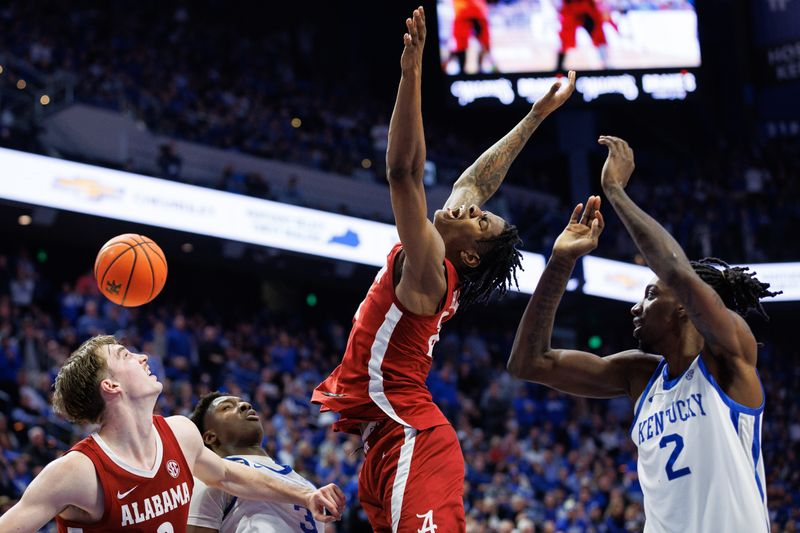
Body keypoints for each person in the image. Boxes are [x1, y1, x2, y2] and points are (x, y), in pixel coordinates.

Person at [312, 6, 576, 532]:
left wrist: (412, 76)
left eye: (478, 221)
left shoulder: (431, 270)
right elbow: (477, 182)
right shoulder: (442, 251)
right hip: (385, 443)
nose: (469, 207)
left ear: (469, 255)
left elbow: (404, 172)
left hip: (413, 435)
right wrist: (535, 117)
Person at [507, 136, 779, 532]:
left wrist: (615, 191)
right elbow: (529, 363)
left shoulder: (729, 355)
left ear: (684, 307)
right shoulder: (639, 376)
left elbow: (677, 274)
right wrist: (561, 261)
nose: (636, 306)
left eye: (650, 295)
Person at [0, 335, 345, 532]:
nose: (143, 355)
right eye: (126, 355)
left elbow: (228, 475)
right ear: (111, 385)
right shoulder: (77, 471)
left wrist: (304, 496)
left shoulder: (179, 433)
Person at [186, 392, 327, 533]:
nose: (245, 405)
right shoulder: (210, 477)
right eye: (226, 408)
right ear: (211, 437)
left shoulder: (305, 485)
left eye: (244, 402)